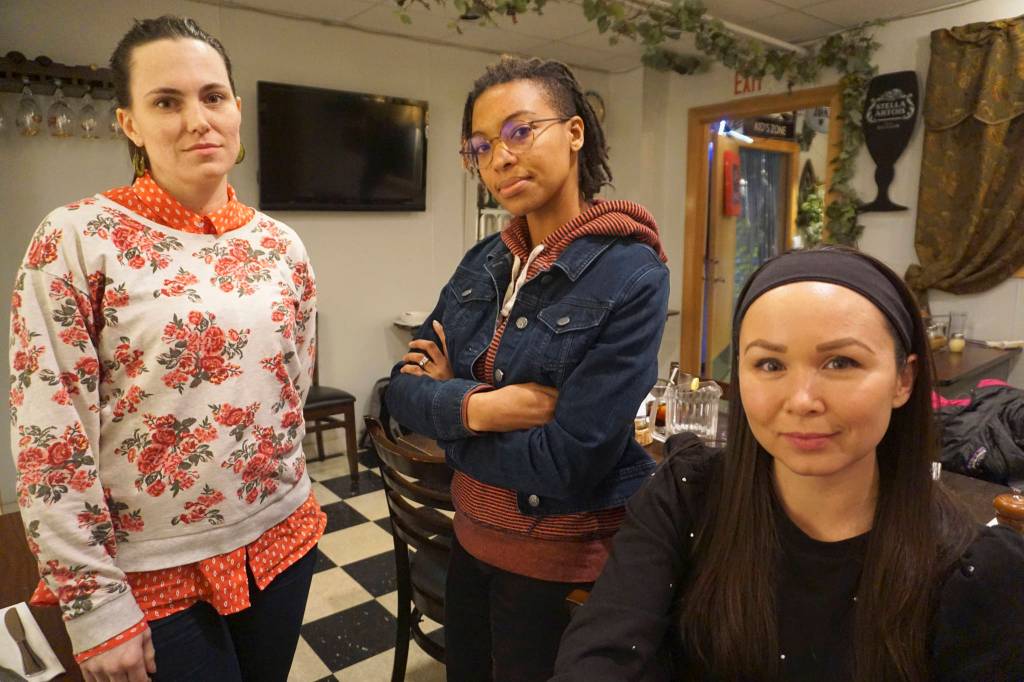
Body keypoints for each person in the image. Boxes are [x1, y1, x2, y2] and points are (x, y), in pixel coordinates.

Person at [9, 16, 323, 682]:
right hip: (148, 571)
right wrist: (93, 606)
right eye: (166, 102)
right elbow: (50, 435)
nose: (197, 119)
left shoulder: (279, 245)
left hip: (281, 543)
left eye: (213, 97)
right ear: (129, 122)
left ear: (237, 109)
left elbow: (292, 389)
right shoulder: (75, 240)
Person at [552, 246, 1024, 681]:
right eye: (770, 365)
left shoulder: (975, 571)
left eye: (840, 363)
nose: (801, 401)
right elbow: (602, 653)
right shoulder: (686, 497)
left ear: (904, 379)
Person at [384, 56, 670, 681]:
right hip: (471, 538)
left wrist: (448, 415)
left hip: (559, 563)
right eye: (482, 147)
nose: (502, 158)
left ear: (574, 133)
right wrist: (481, 408)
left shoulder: (632, 275)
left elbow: (571, 462)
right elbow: (398, 392)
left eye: (521, 131)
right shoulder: (484, 260)